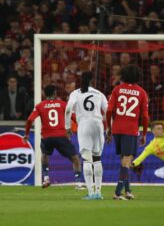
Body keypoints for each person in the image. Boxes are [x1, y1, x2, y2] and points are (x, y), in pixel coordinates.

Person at [24, 85, 83, 189]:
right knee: (75, 159)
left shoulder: (40, 106)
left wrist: (27, 134)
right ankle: (78, 183)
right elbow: (74, 118)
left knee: (45, 155)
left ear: (44, 94)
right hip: (61, 136)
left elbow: (29, 120)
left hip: (47, 137)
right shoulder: (62, 104)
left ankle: (46, 178)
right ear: (55, 93)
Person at [106, 66, 149, 200]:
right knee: (127, 160)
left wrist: (108, 128)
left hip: (117, 128)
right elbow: (145, 117)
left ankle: (128, 191)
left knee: (124, 160)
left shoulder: (117, 89)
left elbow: (108, 111)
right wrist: (144, 134)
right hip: (130, 129)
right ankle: (117, 193)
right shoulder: (141, 92)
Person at [65, 72, 108, 200]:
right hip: (98, 125)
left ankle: (90, 193)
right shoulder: (99, 93)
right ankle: (99, 192)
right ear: (92, 81)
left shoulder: (75, 93)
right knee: (97, 159)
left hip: (84, 125)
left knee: (87, 159)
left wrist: (67, 127)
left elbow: (68, 109)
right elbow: (108, 111)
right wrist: (109, 128)